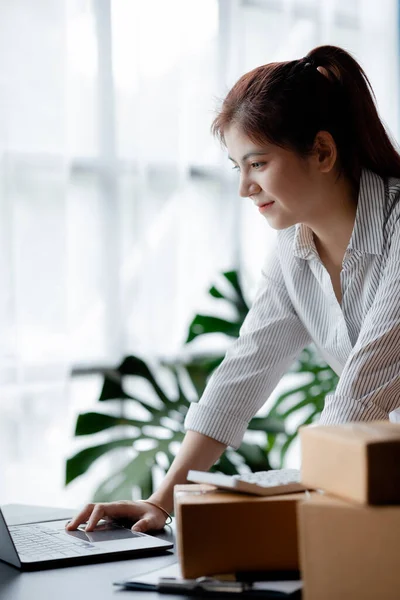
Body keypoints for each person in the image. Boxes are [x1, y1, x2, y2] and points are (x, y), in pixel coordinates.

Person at [66, 44, 400, 534]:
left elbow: (362, 391)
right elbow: (243, 371)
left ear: (323, 152)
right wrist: (163, 502)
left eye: (258, 164)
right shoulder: (294, 247)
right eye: (237, 167)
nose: (244, 187)